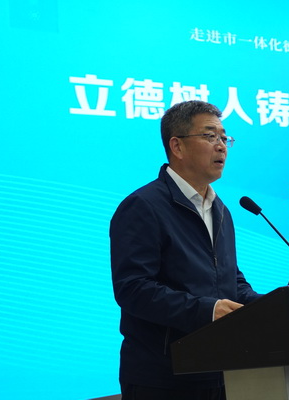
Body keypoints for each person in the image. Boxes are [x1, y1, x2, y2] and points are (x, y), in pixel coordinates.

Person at [110, 100, 261, 400]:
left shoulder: (220, 209)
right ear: (177, 146)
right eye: (210, 136)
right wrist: (208, 310)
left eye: (224, 137)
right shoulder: (143, 206)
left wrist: (267, 305)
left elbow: (228, 277)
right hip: (164, 377)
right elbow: (133, 289)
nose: (221, 146)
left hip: (220, 369)